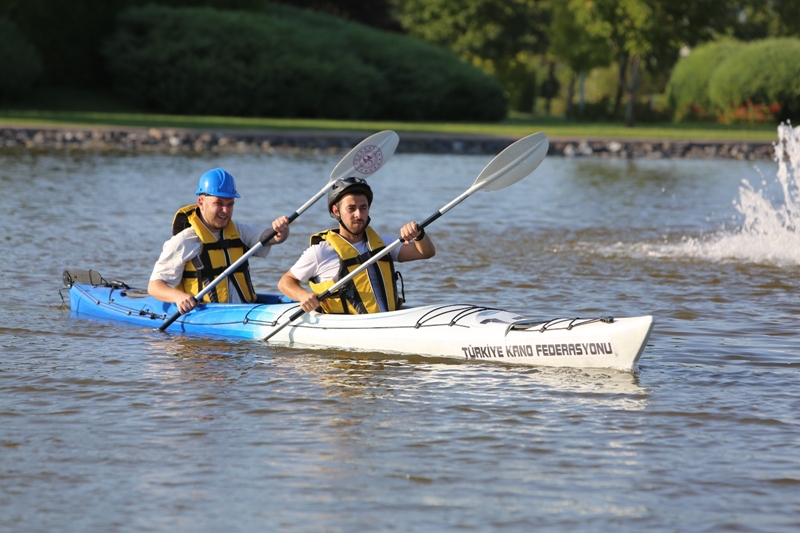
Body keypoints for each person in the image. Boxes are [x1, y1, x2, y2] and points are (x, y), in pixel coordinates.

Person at [278, 177, 435, 314]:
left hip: (388, 319)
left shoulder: (384, 244)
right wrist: (303, 295)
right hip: (350, 326)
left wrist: (419, 235)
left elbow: (425, 253)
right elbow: (286, 281)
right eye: (351, 208)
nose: (358, 214)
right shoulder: (321, 252)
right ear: (336, 211)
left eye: (363, 208)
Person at [149, 168, 290, 314]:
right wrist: (178, 297)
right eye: (219, 203)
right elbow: (155, 286)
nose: (226, 210)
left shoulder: (239, 232)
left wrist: (281, 230)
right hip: (207, 314)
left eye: (230, 204)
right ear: (201, 202)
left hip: (243, 311)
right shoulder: (184, 241)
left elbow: (272, 238)